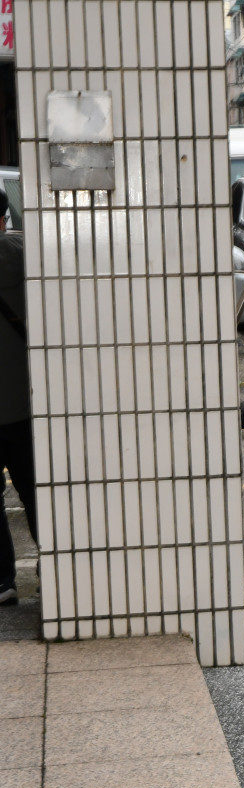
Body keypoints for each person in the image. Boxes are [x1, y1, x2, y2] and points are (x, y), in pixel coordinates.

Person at [0, 188, 35, 606]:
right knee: (33, 489)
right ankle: (55, 560)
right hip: (24, 406)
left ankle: (3, 580)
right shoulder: (28, 252)